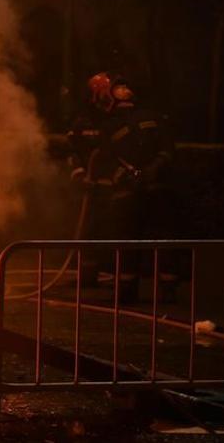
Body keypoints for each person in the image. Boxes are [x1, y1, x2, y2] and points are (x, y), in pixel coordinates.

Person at [67, 72, 176, 300]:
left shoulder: (117, 123)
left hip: (126, 192)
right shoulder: (92, 122)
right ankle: (98, 280)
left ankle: (133, 292)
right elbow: (82, 153)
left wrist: (141, 173)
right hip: (108, 190)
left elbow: (107, 157)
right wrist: (82, 176)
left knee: (130, 238)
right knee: (102, 234)